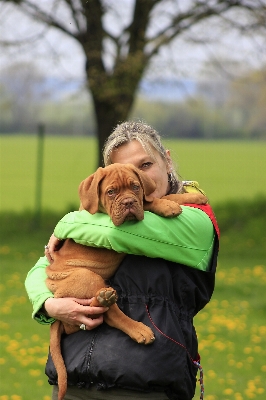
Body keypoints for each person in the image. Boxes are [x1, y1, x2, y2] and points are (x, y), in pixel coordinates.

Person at [25, 121, 219, 400]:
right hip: (77, 374)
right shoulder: (97, 219)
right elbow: (41, 269)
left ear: (167, 160)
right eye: (116, 187)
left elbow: (120, 234)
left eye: (145, 165)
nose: (138, 181)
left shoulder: (194, 219)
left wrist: (65, 224)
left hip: (144, 381)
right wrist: (49, 303)